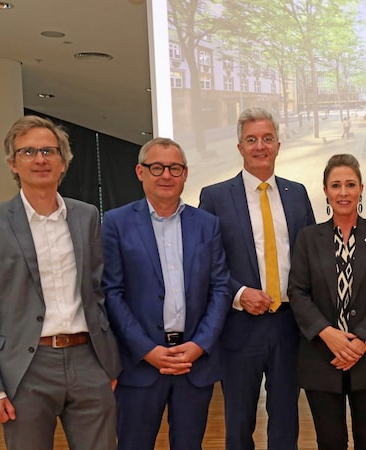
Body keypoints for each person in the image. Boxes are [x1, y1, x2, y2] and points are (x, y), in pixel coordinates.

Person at [0, 115, 121, 449]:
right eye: (28, 152)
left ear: (64, 163)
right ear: (13, 163)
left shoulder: (86, 215)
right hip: (26, 368)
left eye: (49, 151)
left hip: (88, 361)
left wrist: (109, 361)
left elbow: (96, 291)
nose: (40, 159)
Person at [101, 137, 232, 449]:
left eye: (174, 168)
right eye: (156, 167)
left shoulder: (207, 224)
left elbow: (221, 287)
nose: (166, 175)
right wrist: (147, 350)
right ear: (140, 172)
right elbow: (111, 292)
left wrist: (199, 345)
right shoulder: (116, 223)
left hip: (193, 364)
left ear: (185, 174)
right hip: (140, 364)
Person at [199, 107, 315, 450]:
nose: (260, 146)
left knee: (285, 418)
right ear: (240, 148)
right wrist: (239, 293)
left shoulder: (298, 194)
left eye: (267, 139)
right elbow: (207, 262)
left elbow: (309, 260)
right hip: (239, 327)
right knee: (239, 420)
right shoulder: (215, 196)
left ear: (278, 145)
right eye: (252, 140)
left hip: (288, 325)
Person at [288, 153, 366, 450]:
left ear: (361, 188)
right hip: (321, 356)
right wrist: (329, 335)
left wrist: (361, 341)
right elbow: (297, 292)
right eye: (335, 185)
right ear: (325, 190)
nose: (343, 192)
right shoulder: (308, 238)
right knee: (330, 440)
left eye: (350, 184)